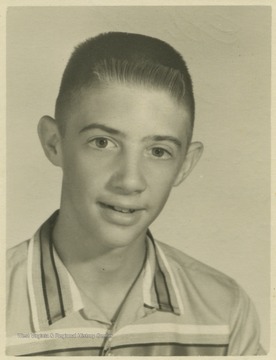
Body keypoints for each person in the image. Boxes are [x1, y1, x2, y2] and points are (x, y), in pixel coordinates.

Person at [6, 32, 265, 356]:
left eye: (158, 151)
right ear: (54, 142)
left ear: (185, 165)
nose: (129, 181)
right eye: (103, 142)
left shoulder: (224, 314)